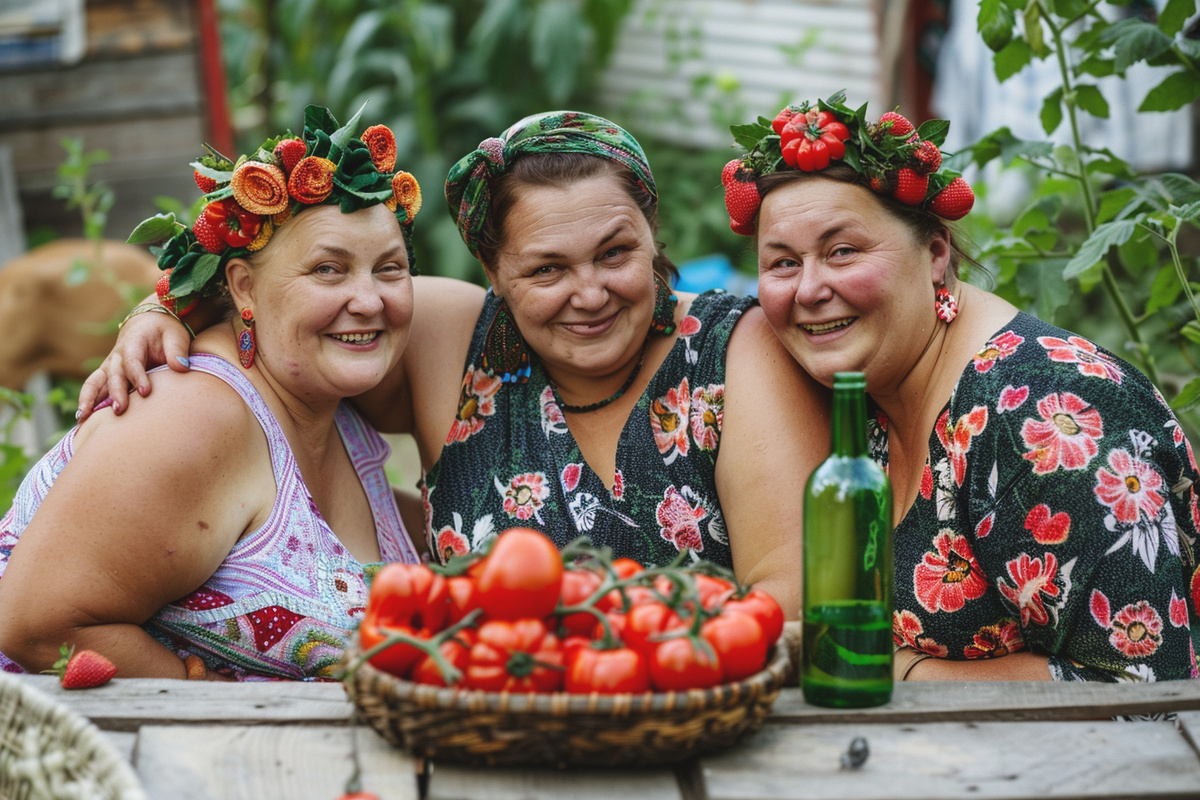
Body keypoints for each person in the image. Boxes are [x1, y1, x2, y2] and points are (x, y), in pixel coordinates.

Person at [78, 111, 829, 619]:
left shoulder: (734, 351)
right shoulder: (449, 335)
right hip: (470, 742)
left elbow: (792, 602)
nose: (590, 293)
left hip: (688, 732)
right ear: (492, 271)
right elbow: (292, 304)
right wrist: (161, 314)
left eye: (616, 252)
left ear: (651, 231)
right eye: (545, 270)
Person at [723, 93, 1200, 681]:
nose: (809, 289)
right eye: (783, 263)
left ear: (935, 253)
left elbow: (1143, 696)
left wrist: (898, 672)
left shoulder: (1041, 414)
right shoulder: (865, 390)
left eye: (842, 251)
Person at [0, 107, 422, 680]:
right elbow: (31, 625)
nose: (369, 301)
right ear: (243, 287)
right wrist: (192, 691)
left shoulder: (337, 407)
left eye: (390, 269)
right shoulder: (195, 412)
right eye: (328, 269)